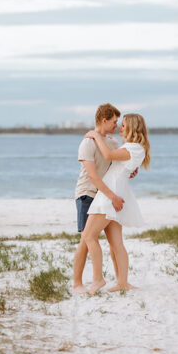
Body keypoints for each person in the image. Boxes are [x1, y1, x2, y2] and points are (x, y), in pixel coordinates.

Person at [80, 113, 151, 294]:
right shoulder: (132, 147)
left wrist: (96, 136)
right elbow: (118, 163)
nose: (120, 127)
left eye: (124, 125)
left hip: (111, 195)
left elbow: (109, 154)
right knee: (116, 242)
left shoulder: (134, 147)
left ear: (133, 127)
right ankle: (122, 282)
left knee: (88, 236)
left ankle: (98, 280)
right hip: (116, 192)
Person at [71, 103, 124, 292]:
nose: (116, 125)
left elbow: (116, 170)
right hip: (87, 194)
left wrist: (130, 173)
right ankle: (77, 283)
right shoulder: (87, 143)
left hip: (104, 196)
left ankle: (118, 281)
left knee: (106, 240)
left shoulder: (113, 143)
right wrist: (113, 197)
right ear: (104, 120)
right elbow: (92, 175)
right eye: (114, 121)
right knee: (85, 241)